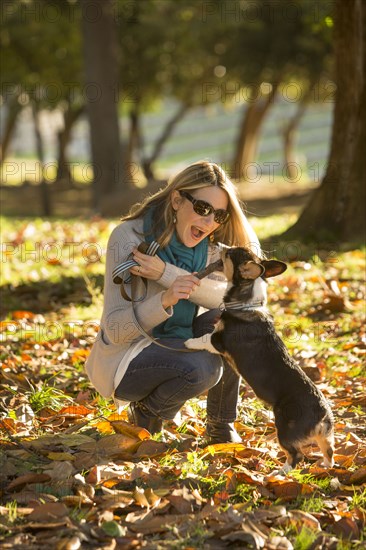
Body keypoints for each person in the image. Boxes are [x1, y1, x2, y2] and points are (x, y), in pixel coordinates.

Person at [85, 160, 262, 443]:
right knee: (204, 368)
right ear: (177, 199)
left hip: (176, 344)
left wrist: (166, 274)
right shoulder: (129, 239)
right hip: (127, 360)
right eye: (203, 209)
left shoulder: (210, 248)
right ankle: (147, 412)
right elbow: (115, 330)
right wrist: (164, 300)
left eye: (219, 215)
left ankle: (220, 424)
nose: (209, 222)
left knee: (234, 324)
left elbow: (248, 299)